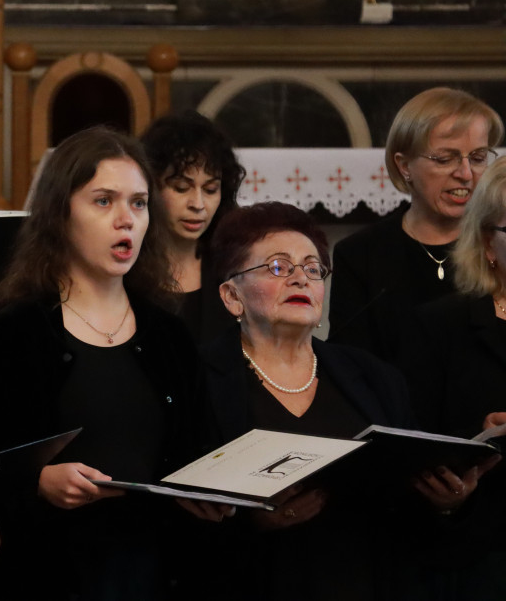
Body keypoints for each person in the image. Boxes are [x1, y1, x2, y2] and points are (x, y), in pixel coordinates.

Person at [198, 201, 499, 601]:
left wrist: (447, 503)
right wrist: (255, 525)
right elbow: (180, 524)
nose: (300, 279)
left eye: (311, 268)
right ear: (232, 296)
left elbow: (408, 515)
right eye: (277, 267)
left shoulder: (375, 378)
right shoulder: (198, 381)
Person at [0, 126, 199, 600]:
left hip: (155, 571)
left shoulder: (169, 333)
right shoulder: (14, 333)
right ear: (60, 213)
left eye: (138, 203)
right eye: (103, 201)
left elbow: (199, 447)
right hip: (47, 574)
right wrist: (37, 482)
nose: (126, 220)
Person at [329, 87, 504, 363]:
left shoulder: (498, 243)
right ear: (404, 166)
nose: (466, 174)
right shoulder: (360, 254)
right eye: (445, 159)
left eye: (479, 158)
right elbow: (350, 365)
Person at [398, 157, 506, 600]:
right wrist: (476, 442)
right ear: (487, 243)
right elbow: (413, 443)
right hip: (480, 555)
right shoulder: (440, 326)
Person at [141, 110, 245, 342]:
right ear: (149, 187)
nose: (198, 205)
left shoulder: (234, 265)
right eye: (181, 187)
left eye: (210, 190)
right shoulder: (127, 267)